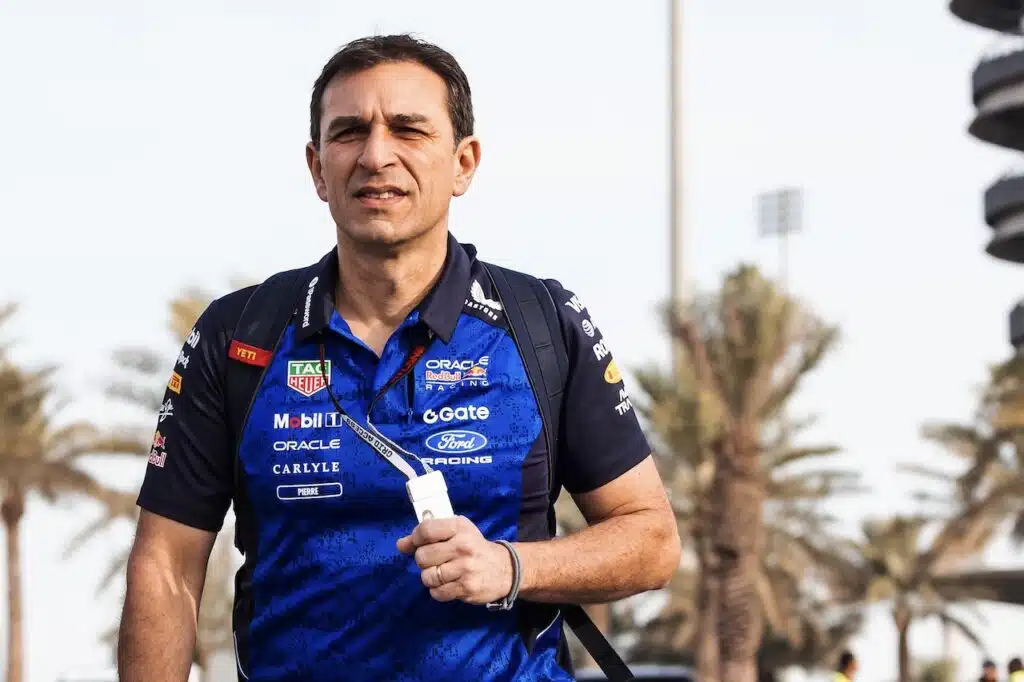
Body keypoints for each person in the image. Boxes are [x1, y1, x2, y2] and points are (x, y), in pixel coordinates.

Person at [116, 33, 681, 682]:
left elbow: (652, 539)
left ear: (464, 163)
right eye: (349, 132)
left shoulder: (542, 323)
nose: (376, 155)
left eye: (408, 129)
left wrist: (513, 566)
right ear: (317, 167)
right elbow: (165, 564)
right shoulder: (239, 335)